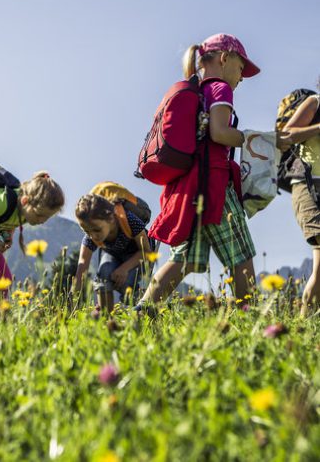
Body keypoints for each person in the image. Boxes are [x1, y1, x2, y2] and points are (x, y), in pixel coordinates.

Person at [137, 33, 292, 308]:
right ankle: (250, 317)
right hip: (215, 187)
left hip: (190, 189)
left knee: (182, 261)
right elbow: (219, 133)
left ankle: (141, 311)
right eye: (241, 67)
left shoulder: (198, 89)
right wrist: (247, 137)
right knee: (241, 258)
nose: (242, 77)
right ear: (225, 58)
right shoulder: (220, 88)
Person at [73, 193, 153, 313]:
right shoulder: (92, 233)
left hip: (137, 255)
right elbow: (83, 263)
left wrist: (124, 268)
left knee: (126, 285)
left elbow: (146, 251)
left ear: (111, 219)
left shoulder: (129, 220)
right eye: (87, 231)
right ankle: (106, 316)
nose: (93, 236)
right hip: (114, 254)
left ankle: (142, 311)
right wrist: (73, 295)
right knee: (103, 274)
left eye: (96, 230)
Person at [282, 83, 320, 314]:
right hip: (307, 184)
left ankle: (308, 327)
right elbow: (287, 134)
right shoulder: (316, 101)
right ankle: (305, 325)